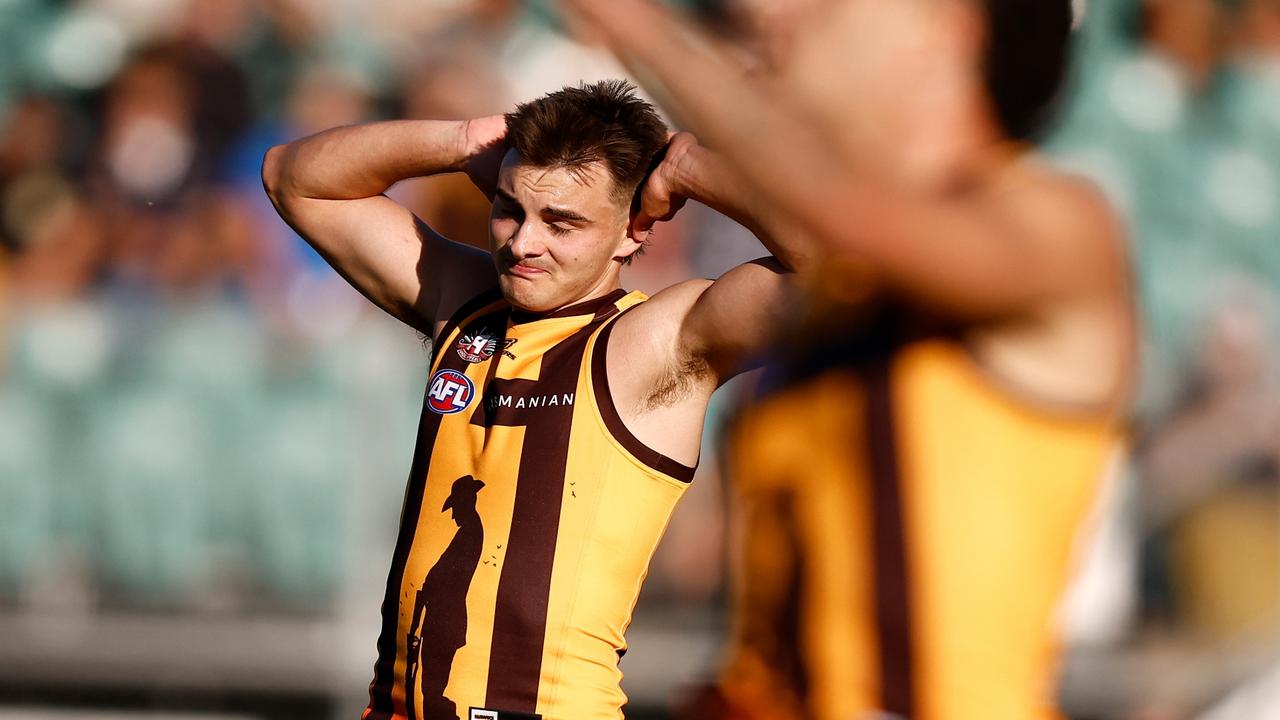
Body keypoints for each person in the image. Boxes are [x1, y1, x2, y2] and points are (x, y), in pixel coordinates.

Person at [563, 1, 1137, 719]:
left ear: (948, 27)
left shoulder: (1058, 223)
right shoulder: (840, 285)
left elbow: (854, 218)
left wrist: (639, 30)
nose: (793, 15)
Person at [261, 80, 800, 720]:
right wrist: (464, 143)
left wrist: (692, 171)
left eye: (562, 222)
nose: (523, 244)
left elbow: (844, 268)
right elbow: (293, 178)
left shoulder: (657, 343)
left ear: (632, 231)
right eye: (510, 209)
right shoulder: (463, 304)